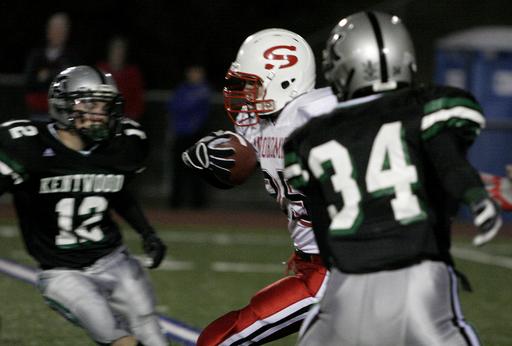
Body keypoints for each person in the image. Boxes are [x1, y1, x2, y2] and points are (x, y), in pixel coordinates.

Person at [283, 12, 502, 346]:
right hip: (417, 273)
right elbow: (448, 162)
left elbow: (322, 220)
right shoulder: (426, 106)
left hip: (344, 285)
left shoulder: (310, 138)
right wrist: (476, 196)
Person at [182, 29, 337, 345]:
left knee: (218, 339)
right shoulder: (263, 121)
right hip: (315, 265)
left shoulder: (317, 113)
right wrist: (216, 155)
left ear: (284, 80)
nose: (244, 95)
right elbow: (241, 155)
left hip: (339, 269)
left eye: (252, 84)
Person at [0, 65, 168, 346]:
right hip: (63, 273)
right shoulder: (28, 146)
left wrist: (146, 232)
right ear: (63, 105)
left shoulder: (122, 145)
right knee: (118, 338)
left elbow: (116, 190)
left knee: (152, 335)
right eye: (89, 104)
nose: (100, 113)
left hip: (116, 260)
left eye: (104, 105)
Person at [167, 65, 211, 208]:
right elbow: (174, 107)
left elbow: (193, 108)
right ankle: (175, 203)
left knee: (198, 170)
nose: (196, 75)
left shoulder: (204, 89)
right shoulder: (182, 89)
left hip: (197, 136)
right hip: (180, 135)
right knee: (178, 170)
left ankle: (198, 204)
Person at [24, 12, 80, 118]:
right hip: (37, 112)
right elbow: (29, 82)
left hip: (62, 115)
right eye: (55, 28)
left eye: (61, 29)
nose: (58, 32)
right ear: (48, 31)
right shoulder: (36, 55)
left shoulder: (72, 57)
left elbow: (71, 85)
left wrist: (48, 75)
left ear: (67, 32)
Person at [97, 36, 145, 121]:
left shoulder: (132, 74)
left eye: (121, 50)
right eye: (115, 49)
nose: (118, 53)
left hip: (125, 121)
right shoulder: (100, 70)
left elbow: (137, 103)